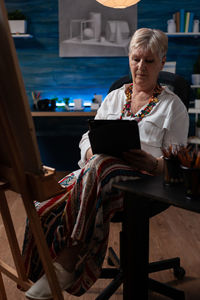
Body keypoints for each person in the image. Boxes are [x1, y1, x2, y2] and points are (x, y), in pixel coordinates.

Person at [24, 28, 189, 300]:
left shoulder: (173, 107)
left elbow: (177, 163)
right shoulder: (114, 97)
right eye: (136, 59)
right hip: (97, 176)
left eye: (149, 61)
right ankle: (38, 272)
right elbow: (86, 139)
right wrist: (89, 153)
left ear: (162, 62)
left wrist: (151, 162)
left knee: (101, 166)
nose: (140, 67)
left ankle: (69, 260)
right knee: (45, 201)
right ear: (129, 58)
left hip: (144, 182)